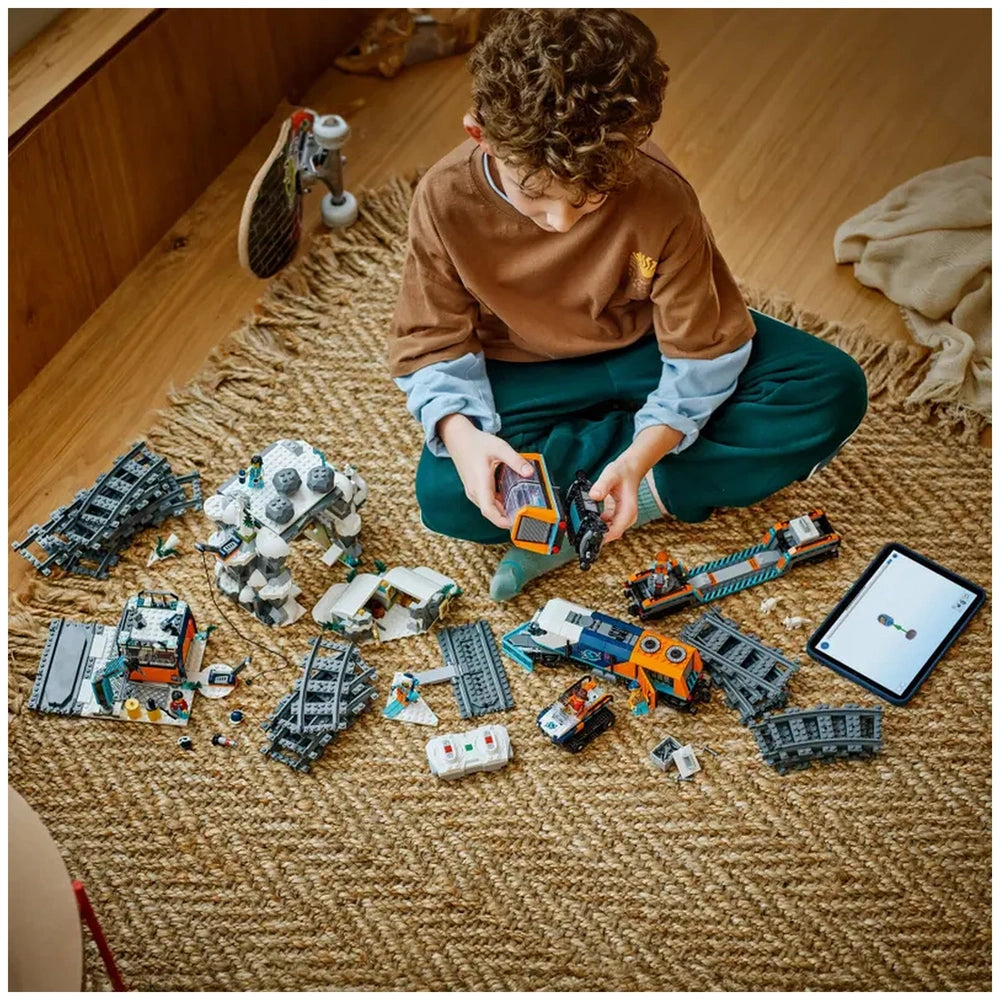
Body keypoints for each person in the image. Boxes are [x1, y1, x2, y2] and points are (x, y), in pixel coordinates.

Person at [388, 9, 867, 600]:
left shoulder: (661, 195)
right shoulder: (444, 198)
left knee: (832, 387)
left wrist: (642, 454)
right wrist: (464, 439)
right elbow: (431, 341)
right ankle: (665, 476)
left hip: (647, 346)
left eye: (590, 199)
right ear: (478, 135)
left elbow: (703, 348)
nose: (561, 223)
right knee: (445, 495)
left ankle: (617, 495)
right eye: (535, 198)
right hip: (524, 367)